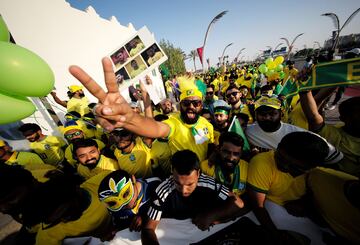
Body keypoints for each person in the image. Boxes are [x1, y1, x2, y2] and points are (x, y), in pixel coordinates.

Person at [69, 58, 215, 162]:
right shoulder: (173, 123)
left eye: (195, 103)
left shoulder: (207, 125)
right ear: (179, 104)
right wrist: (130, 119)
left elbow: (209, 148)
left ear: (201, 105)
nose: (191, 107)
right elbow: (153, 128)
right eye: (186, 103)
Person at [141, 150, 245, 244]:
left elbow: (238, 203)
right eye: (178, 183)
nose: (184, 190)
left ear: (198, 174)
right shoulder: (162, 191)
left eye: (190, 184)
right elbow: (148, 229)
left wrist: (212, 216)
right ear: (172, 171)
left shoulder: (208, 183)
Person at [247, 132, 329, 243]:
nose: (284, 166)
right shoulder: (261, 163)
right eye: (280, 158)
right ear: (278, 147)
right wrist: (277, 236)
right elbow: (258, 206)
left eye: (295, 166)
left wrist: (304, 203)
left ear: (312, 166)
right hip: (271, 208)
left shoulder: (319, 173)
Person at [245, 96, 343, 164]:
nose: (267, 117)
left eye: (272, 113)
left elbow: (335, 156)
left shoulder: (297, 134)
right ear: (255, 115)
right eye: (262, 114)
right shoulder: (248, 131)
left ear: (281, 114)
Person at [22, 172, 112, 245]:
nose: (64, 220)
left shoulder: (103, 182)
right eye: (57, 220)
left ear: (76, 192)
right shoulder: (49, 234)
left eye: (65, 213)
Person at [300, 90, 360, 177]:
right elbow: (313, 117)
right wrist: (305, 90)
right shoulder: (333, 135)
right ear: (343, 118)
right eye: (357, 115)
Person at [201, 132, 248, 196]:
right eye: (226, 152)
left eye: (236, 154)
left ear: (241, 153)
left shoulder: (247, 168)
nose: (231, 158)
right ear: (218, 149)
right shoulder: (205, 167)